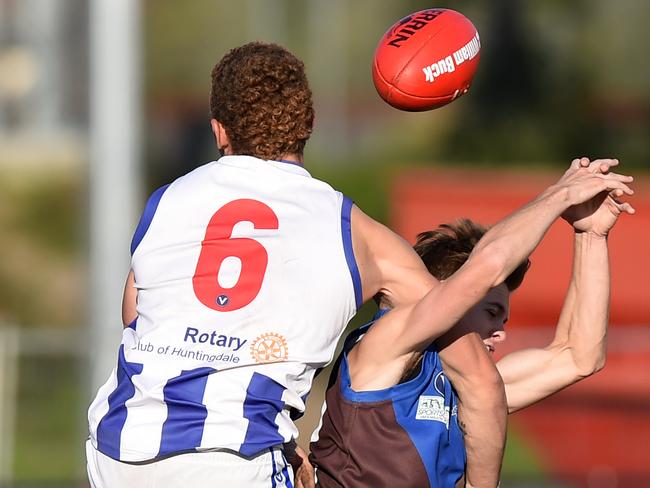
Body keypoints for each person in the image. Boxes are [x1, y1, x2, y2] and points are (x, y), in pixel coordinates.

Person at [84, 41, 527, 487]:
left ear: (219, 131)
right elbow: (478, 379)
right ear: (309, 124)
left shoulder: (168, 200)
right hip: (237, 460)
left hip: (120, 450)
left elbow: (136, 317)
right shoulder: (358, 234)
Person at [309, 159, 635, 488]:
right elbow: (489, 264)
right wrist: (560, 195)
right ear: (451, 295)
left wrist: (590, 235)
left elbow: (579, 356)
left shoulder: (466, 388)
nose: (501, 331)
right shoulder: (384, 342)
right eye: (491, 312)